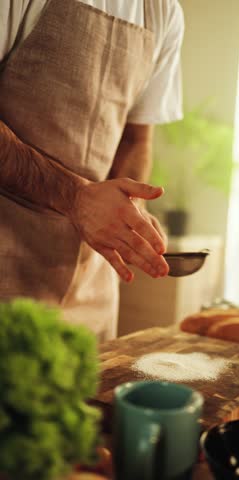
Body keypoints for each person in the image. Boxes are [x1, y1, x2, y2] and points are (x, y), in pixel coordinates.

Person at [0, 0, 184, 340]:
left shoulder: (162, 11)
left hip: (92, 275)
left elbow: (136, 138)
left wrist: (132, 213)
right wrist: (74, 197)